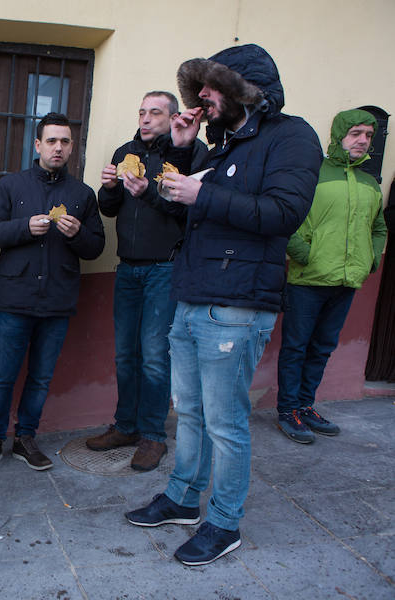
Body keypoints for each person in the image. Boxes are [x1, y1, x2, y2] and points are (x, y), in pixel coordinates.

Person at [125, 44, 322, 566]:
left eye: (211, 87)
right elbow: (190, 209)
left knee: (225, 422)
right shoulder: (223, 145)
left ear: (244, 89)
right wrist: (182, 154)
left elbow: (284, 212)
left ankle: (224, 522)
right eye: (200, 89)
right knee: (187, 411)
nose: (203, 98)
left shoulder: (292, 136)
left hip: (236, 304)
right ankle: (184, 498)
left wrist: (200, 192)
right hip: (192, 296)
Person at [0, 112, 105, 476]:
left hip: (58, 300)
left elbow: (96, 247)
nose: (58, 147)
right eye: (51, 141)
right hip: (16, 298)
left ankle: (25, 438)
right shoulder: (12, 186)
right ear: (37, 145)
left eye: (65, 141)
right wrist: (22, 227)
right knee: (3, 375)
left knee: (41, 376)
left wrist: (77, 232)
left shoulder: (82, 194)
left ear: (71, 147)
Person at [89, 91, 208, 471]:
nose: (145, 118)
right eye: (142, 112)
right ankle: (125, 426)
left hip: (165, 267)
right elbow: (109, 210)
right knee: (125, 354)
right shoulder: (126, 151)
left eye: (155, 113)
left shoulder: (189, 154)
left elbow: (191, 211)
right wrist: (108, 189)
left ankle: (153, 436)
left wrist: (150, 195)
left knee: (155, 357)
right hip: (128, 268)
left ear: (173, 118)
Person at [276, 110, 387, 443]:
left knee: (322, 347)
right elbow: (288, 218)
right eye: (356, 133)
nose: (363, 140)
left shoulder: (370, 183)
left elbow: (379, 227)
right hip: (307, 280)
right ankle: (287, 410)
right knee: (296, 347)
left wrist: (371, 259)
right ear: (339, 134)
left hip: (346, 281)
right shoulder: (313, 173)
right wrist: (304, 254)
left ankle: (306, 405)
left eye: (368, 135)